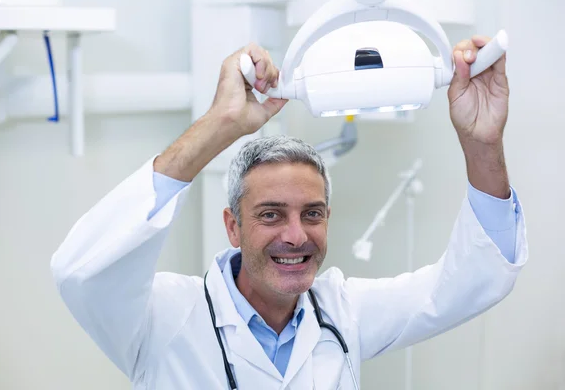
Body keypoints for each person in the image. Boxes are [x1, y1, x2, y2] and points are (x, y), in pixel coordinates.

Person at [51, 37, 528, 389]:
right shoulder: (163, 318)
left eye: (313, 213)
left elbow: (474, 279)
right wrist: (220, 125)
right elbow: (83, 272)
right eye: (271, 215)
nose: (297, 236)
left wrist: (481, 142)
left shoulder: (343, 312)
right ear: (232, 226)